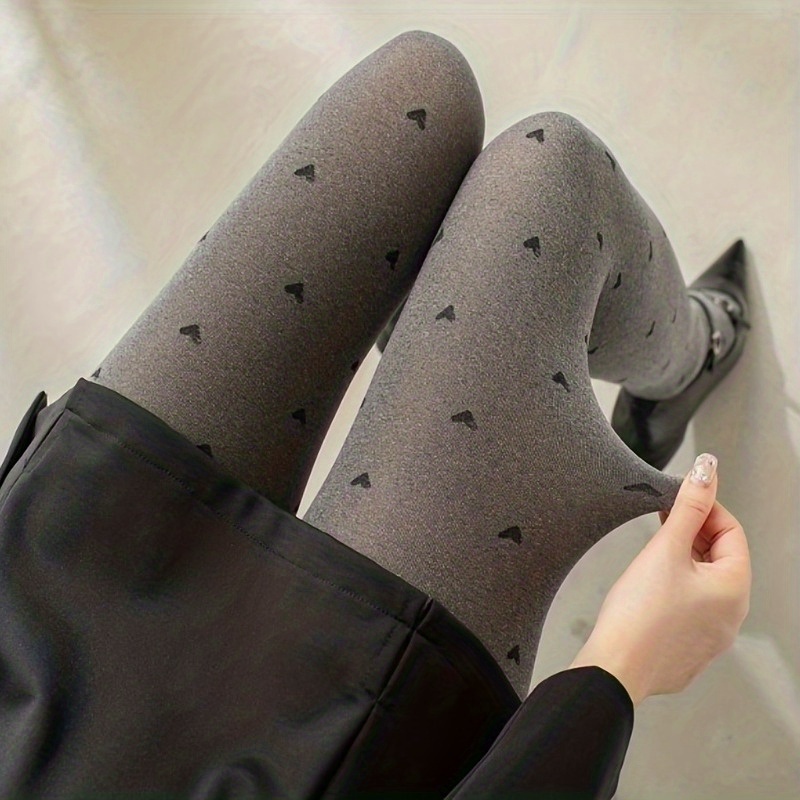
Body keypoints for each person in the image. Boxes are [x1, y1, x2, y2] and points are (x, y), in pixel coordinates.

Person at [0, 29, 751, 798]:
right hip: (335, 741)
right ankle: (686, 359)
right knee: (553, 173)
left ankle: (552, 340)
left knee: (419, 89)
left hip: (45, 608)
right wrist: (619, 672)